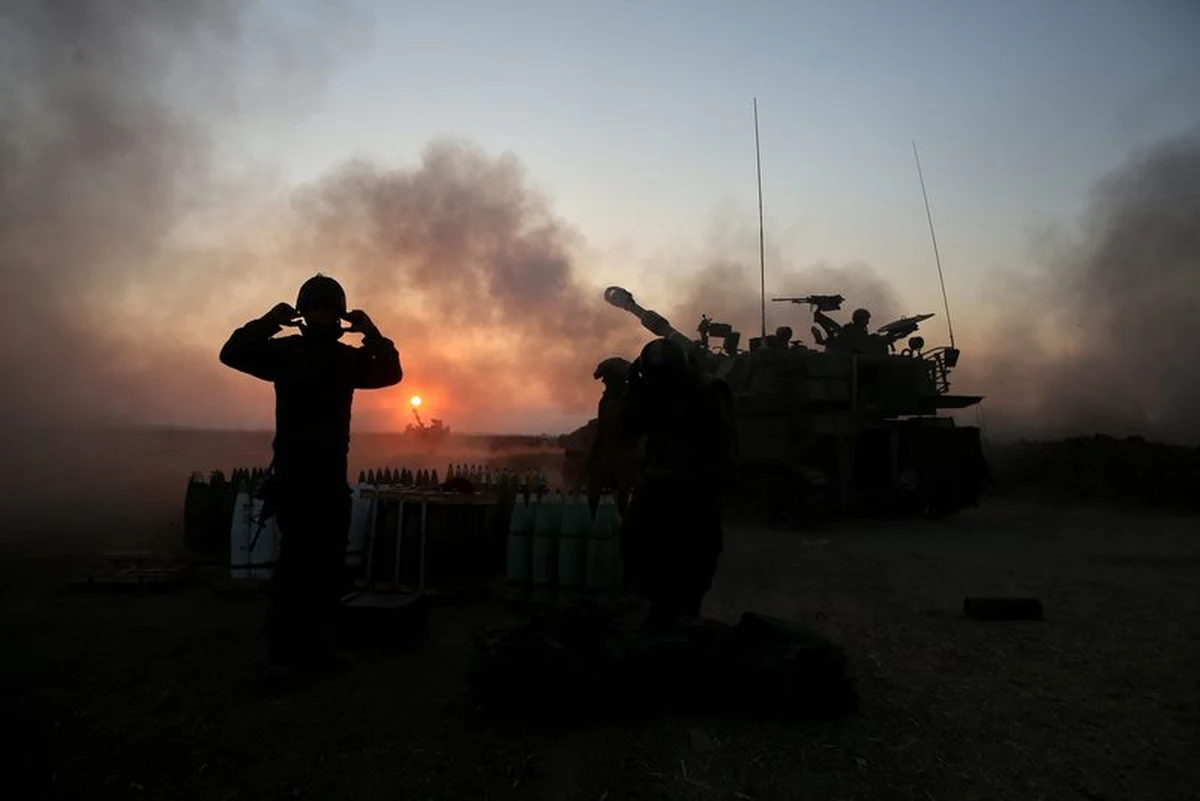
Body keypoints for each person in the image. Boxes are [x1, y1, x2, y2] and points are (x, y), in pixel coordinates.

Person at [219, 274, 402, 669]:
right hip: (300, 476)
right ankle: (288, 653)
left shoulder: (307, 356)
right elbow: (230, 353)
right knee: (299, 565)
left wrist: (269, 322)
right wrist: (371, 332)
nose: (321, 315)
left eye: (326, 308)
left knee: (322, 565)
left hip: (323, 476)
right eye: (317, 308)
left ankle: (311, 647)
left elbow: (391, 374)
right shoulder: (321, 357)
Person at [618, 338, 737, 628]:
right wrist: (634, 390)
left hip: (694, 486)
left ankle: (683, 616)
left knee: (693, 558)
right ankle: (661, 610)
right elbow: (629, 429)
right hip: (659, 483)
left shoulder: (708, 391)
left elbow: (723, 447)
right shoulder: (653, 389)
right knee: (639, 547)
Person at [585, 356, 636, 519]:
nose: (604, 382)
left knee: (622, 505)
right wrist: (593, 458)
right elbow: (602, 432)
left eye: (607, 378)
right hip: (606, 456)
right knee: (595, 500)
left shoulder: (631, 401)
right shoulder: (606, 401)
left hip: (625, 459)